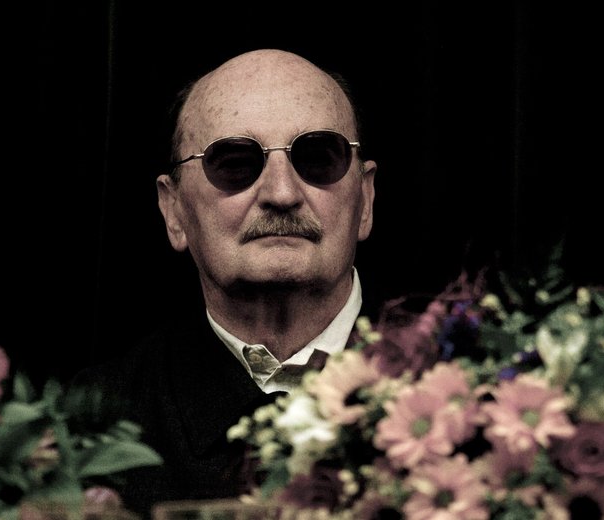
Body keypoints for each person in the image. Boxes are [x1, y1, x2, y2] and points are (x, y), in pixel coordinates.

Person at [71, 48, 376, 516]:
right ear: (173, 210)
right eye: (235, 163)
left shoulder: (471, 395)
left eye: (317, 158)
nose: (282, 194)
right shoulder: (86, 427)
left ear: (366, 199)